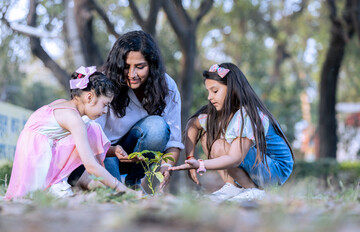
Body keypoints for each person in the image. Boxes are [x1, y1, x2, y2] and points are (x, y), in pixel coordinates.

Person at [5, 66, 138, 200]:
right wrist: (124, 189)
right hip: (36, 162)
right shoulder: (73, 119)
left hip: (32, 151)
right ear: (90, 97)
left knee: (91, 128)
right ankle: (55, 184)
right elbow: (91, 165)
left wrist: (113, 149)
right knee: (90, 127)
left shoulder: (62, 104)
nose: (105, 111)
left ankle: (70, 180)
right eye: (105, 105)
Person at [169, 63, 294, 202]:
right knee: (206, 136)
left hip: (275, 169)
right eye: (208, 92)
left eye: (215, 91)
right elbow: (193, 124)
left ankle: (252, 190)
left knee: (219, 146)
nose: (210, 97)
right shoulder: (220, 113)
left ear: (232, 89)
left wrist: (200, 164)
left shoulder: (247, 114)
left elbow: (235, 158)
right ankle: (233, 186)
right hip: (260, 164)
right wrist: (190, 157)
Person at [95, 30, 183, 192]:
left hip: (136, 158)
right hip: (105, 154)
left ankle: (134, 181)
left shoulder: (167, 87)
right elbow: (91, 136)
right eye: (126, 67)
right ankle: (120, 187)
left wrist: (166, 166)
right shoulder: (103, 82)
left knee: (157, 127)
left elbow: (174, 141)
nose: (132, 74)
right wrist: (113, 151)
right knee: (117, 194)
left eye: (140, 67)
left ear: (152, 65)